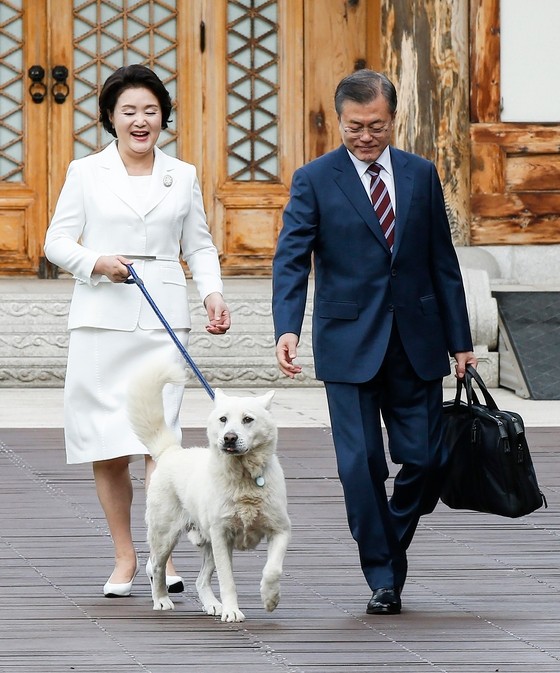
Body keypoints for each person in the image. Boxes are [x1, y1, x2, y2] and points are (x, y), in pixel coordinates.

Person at [272, 69, 477, 615]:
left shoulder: (420, 174)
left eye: (376, 126)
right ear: (339, 120)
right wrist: (287, 327)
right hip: (347, 342)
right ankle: (383, 577)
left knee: (428, 459)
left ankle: (385, 542)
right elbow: (291, 259)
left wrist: (462, 340)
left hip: (418, 339)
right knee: (359, 464)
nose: (365, 136)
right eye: (354, 126)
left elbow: (443, 263)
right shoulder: (315, 179)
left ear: (393, 120)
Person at [44, 64, 230, 598]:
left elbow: (197, 245)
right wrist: (97, 262)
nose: (140, 121)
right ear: (110, 117)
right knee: (108, 445)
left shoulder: (184, 175)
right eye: (129, 111)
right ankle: (125, 556)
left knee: (161, 442)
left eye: (150, 111)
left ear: (163, 117)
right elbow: (57, 242)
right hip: (102, 318)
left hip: (163, 317)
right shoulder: (85, 172)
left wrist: (212, 293)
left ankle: (162, 555)